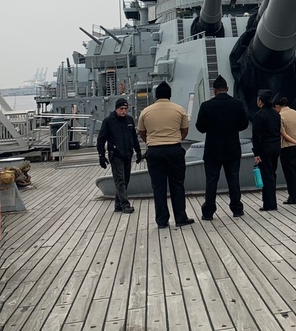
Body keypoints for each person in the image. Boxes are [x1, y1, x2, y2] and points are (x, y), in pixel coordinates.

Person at [137, 81, 194, 228]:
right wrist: (175, 139)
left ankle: (162, 221)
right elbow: (185, 130)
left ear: (156, 95)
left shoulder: (146, 112)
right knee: (177, 184)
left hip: (154, 151)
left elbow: (142, 133)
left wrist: (151, 141)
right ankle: (181, 218)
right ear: (170, 94)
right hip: (174, 150)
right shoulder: (179, 110)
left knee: (158, 186)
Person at [195, 75, 249, 220]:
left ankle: (209, 211)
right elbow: (244, 124)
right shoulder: (237, 104)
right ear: (227, 89)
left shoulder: (206, 106)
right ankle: (237, 208)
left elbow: (200, 127)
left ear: (214, 90)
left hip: (213, 150)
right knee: (233, 179)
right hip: (232, 148)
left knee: (211, 181)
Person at [96, 97, 142, 214]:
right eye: (121, 108)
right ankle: (125, 204)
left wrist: (138, 151)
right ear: (116, 109)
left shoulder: (129, 120)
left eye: (126, 109)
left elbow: (134, 138)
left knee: (125, 180)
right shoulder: (108, 121)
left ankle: (118, 204)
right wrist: (101, 155)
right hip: (116, 155)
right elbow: (101, 139)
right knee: (120, 180)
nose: (124, 111)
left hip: (127, 153)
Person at [251, 89, 282, 211]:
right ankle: (269, 200)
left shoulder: (259, 115)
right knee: (272, 174)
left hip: (265, 149)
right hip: (276, 147)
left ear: (260, 101)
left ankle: (270, 204)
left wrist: (256, 153)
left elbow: (257, 136)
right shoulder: (276, 114)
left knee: (267, 175)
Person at [275, 96, 296, 204]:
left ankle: (293, 196)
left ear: (277, 106)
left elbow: (282, 133)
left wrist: (293, 141)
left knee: (290, 172)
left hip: (287, 147)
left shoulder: (280, 116)